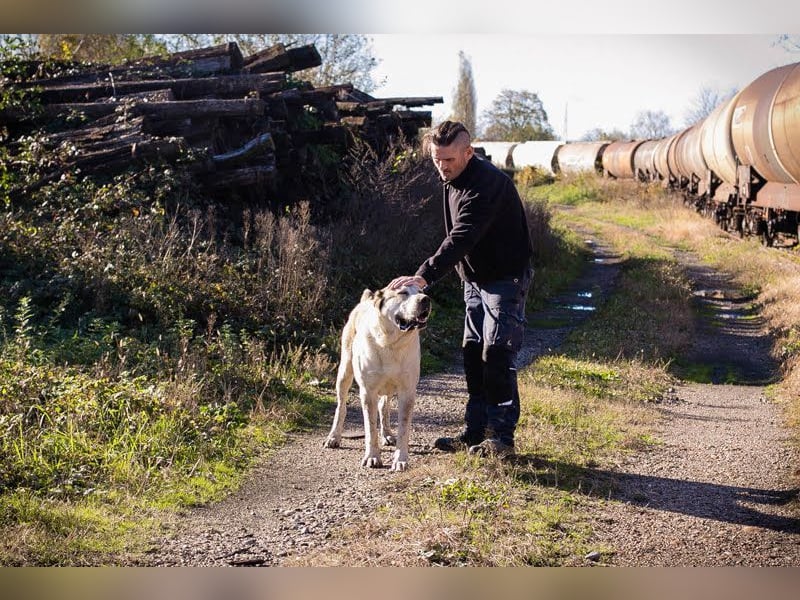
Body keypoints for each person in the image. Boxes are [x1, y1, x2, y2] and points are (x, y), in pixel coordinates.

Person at [389, 120, 533, 458]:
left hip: (505, 277)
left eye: (449, 160)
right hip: (474, 279)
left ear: (468, 152)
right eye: (436, 159)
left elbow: (463, 236)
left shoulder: (488, 184)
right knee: (472, 351)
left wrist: (423, 276)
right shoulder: (452, 177)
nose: (442, 166)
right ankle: (474, 431)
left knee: (496, 352)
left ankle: (502, 439)